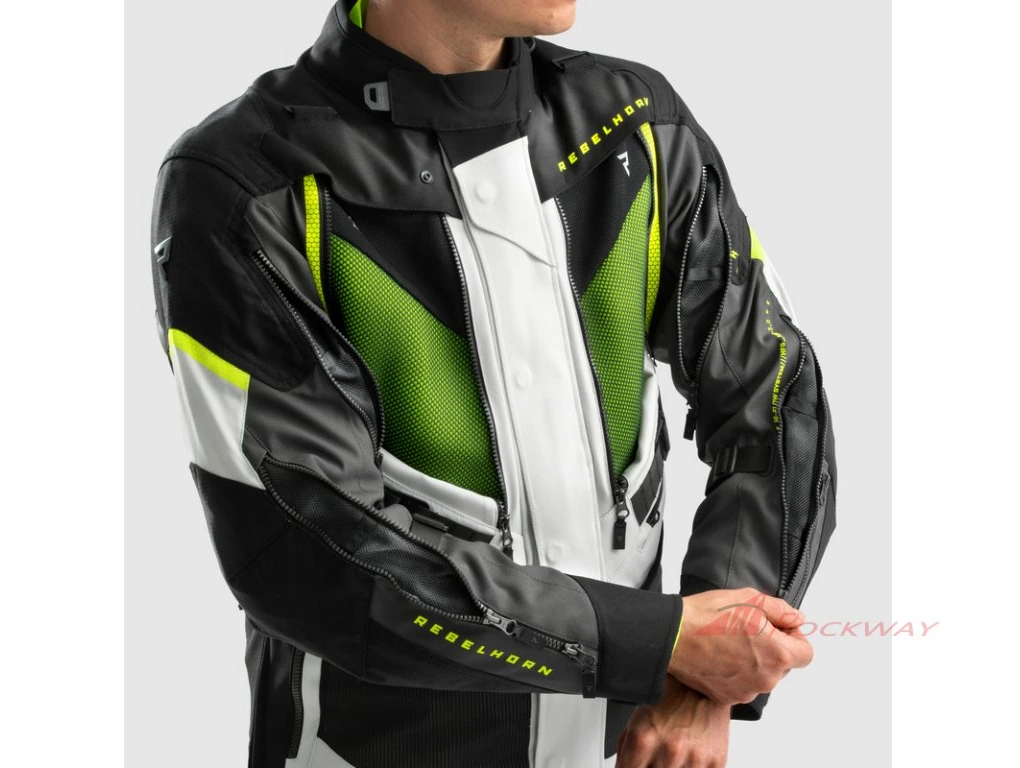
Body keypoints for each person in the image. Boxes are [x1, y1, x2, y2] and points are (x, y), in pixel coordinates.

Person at [149, 0, 837, 765]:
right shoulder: (245, 183)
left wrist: (706, 679)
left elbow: (777, 402)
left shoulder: (637, 125)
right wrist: (662, 644)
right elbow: (314, 552)